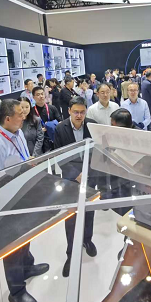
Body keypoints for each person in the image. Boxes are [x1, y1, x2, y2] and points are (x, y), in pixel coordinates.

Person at [0, 99, 48, 302]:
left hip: (25, 193)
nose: (24, 116)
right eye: (20, 114)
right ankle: (16, 291)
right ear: (8, 118)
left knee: (26, 236)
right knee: (12, 247)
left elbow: (21, 159)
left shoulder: (18, 133)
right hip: (8, 203)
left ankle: (27, 267)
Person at [53, 97, 98, 277]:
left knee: (89, 211)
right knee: (71, 216)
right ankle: (71, 253)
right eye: (76, 112)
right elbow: (59, 156)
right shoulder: (60, 128)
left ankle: (87, 239)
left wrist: (89, 173)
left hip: (90, 175)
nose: (79, 116)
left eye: (82, 112)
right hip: (71, 178)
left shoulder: (93, 125)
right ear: (69, 111)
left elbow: (97, 151)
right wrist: (76, 175)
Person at [32, 86, 61, 153]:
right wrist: (40, 130)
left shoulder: (52, 108)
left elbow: (60, 122)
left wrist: (51, 125)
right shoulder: (31, 112)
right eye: (38, 95)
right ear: (33, 97)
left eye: (42, 94)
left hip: (54, 137)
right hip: (40, 142)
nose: (41, 96)